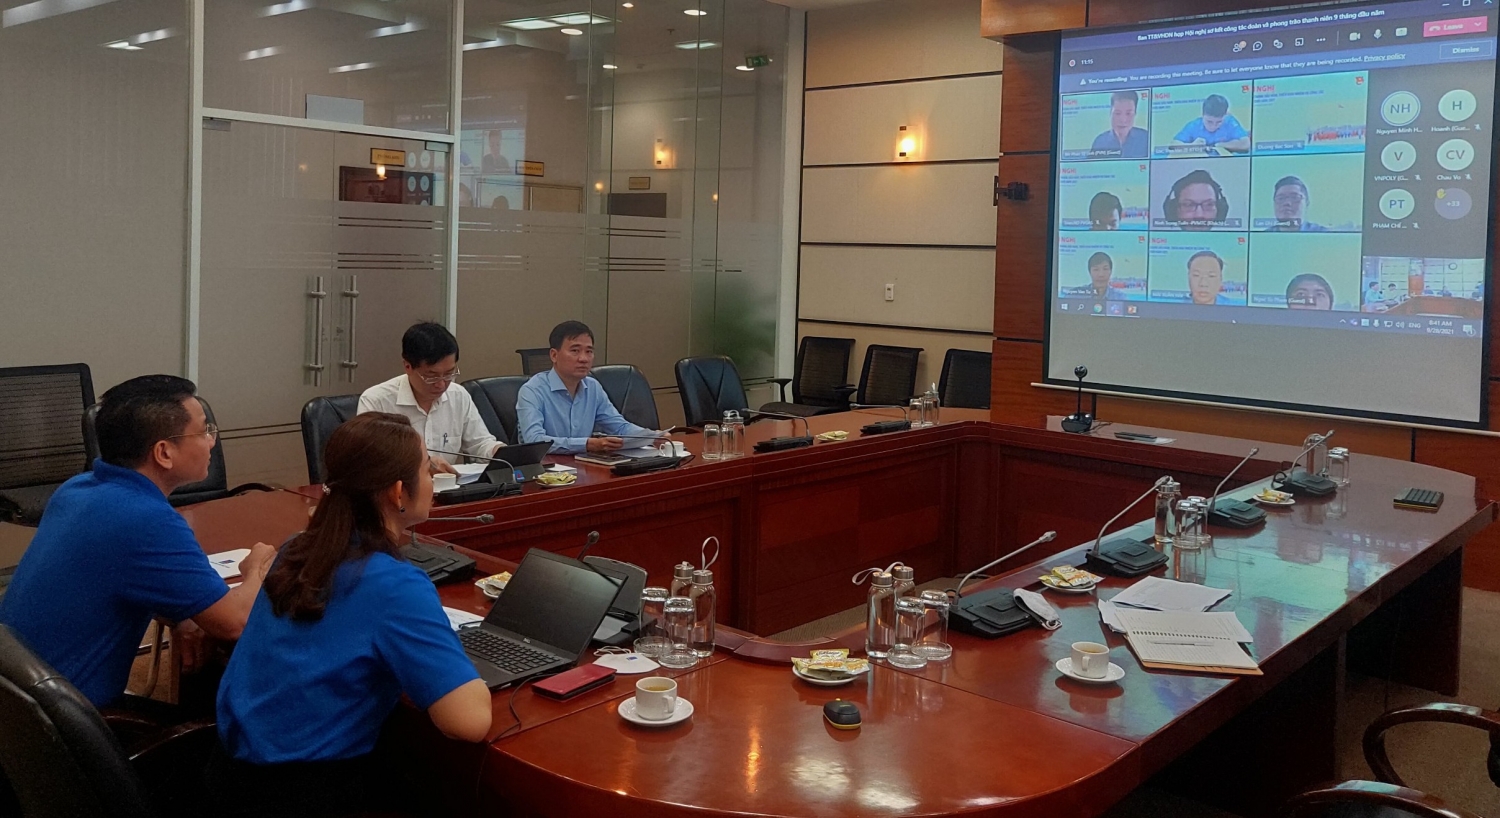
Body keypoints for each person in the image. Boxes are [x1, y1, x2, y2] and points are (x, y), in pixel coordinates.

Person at [209, 413, 491, 817]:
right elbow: (468, 722)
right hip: (312, 791)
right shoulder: (395, 586)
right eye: (427, 469)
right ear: (398, 492)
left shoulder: (296, 548)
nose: (432, 479)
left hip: (232, 777)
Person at [0, 375, 274, 707]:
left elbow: (119, 576)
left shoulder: (76, 489)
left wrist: (187, 613)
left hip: (18, 702)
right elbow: (236, 622)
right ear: (164, 452)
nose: (211, 441)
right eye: (204, 431)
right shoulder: (147, 521)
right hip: (72, 719)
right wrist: (257, 569)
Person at [359, 322, 501, 474]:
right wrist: (424, 463)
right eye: (431, 376)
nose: (441, 384)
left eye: (449, 374)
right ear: (408, 366)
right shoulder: (376, 401)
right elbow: (370, 461)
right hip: (400, 487)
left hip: (449, 487)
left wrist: (498, 451)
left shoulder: (458, 395)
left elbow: (480, 444)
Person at [517, 320, 663, 454]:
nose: (584, 359)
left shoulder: (593, 387)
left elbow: (619, 427)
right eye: (575, 351)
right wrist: (586, 444)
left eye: (589, 351)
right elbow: (534, 441)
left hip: (583, 465)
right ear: (554, 355)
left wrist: (653, 436)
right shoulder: (532, 391)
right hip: (547, 469)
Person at [1172, 94, 1250, 153]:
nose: (1213, 126)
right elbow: (1173, 145)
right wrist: (1192, 146)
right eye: (1209, 122)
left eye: (1219, 122)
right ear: (1202, 115)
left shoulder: (1230, 122)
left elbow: (1246, 144)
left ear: (1225, 115)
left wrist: (1219, 145)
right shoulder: (1194, 125)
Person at [1089, 90, 1149, 158]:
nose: (1123, 120)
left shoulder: (1146, 138)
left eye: (1128, 113)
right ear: (1110, 113)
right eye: (1117, 113)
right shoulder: (1100, 142)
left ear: (1135, 114)